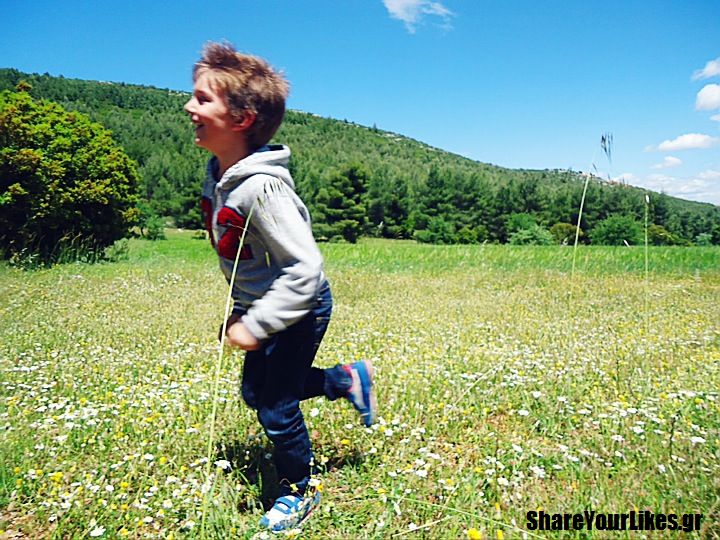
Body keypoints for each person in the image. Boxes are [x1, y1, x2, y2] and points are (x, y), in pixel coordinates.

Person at [184, 41, 377, 532]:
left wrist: (260, 322)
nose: (190, 107)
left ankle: (300, 491)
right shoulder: (220, 178)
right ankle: (344, 380)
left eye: (204, 100)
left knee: (276, 407)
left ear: (243, 117)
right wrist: (239, 310)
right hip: (262, 306)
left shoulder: (262, 187)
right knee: (255, 392)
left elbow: (304, 268)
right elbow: (246, 262)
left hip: (299, 307)